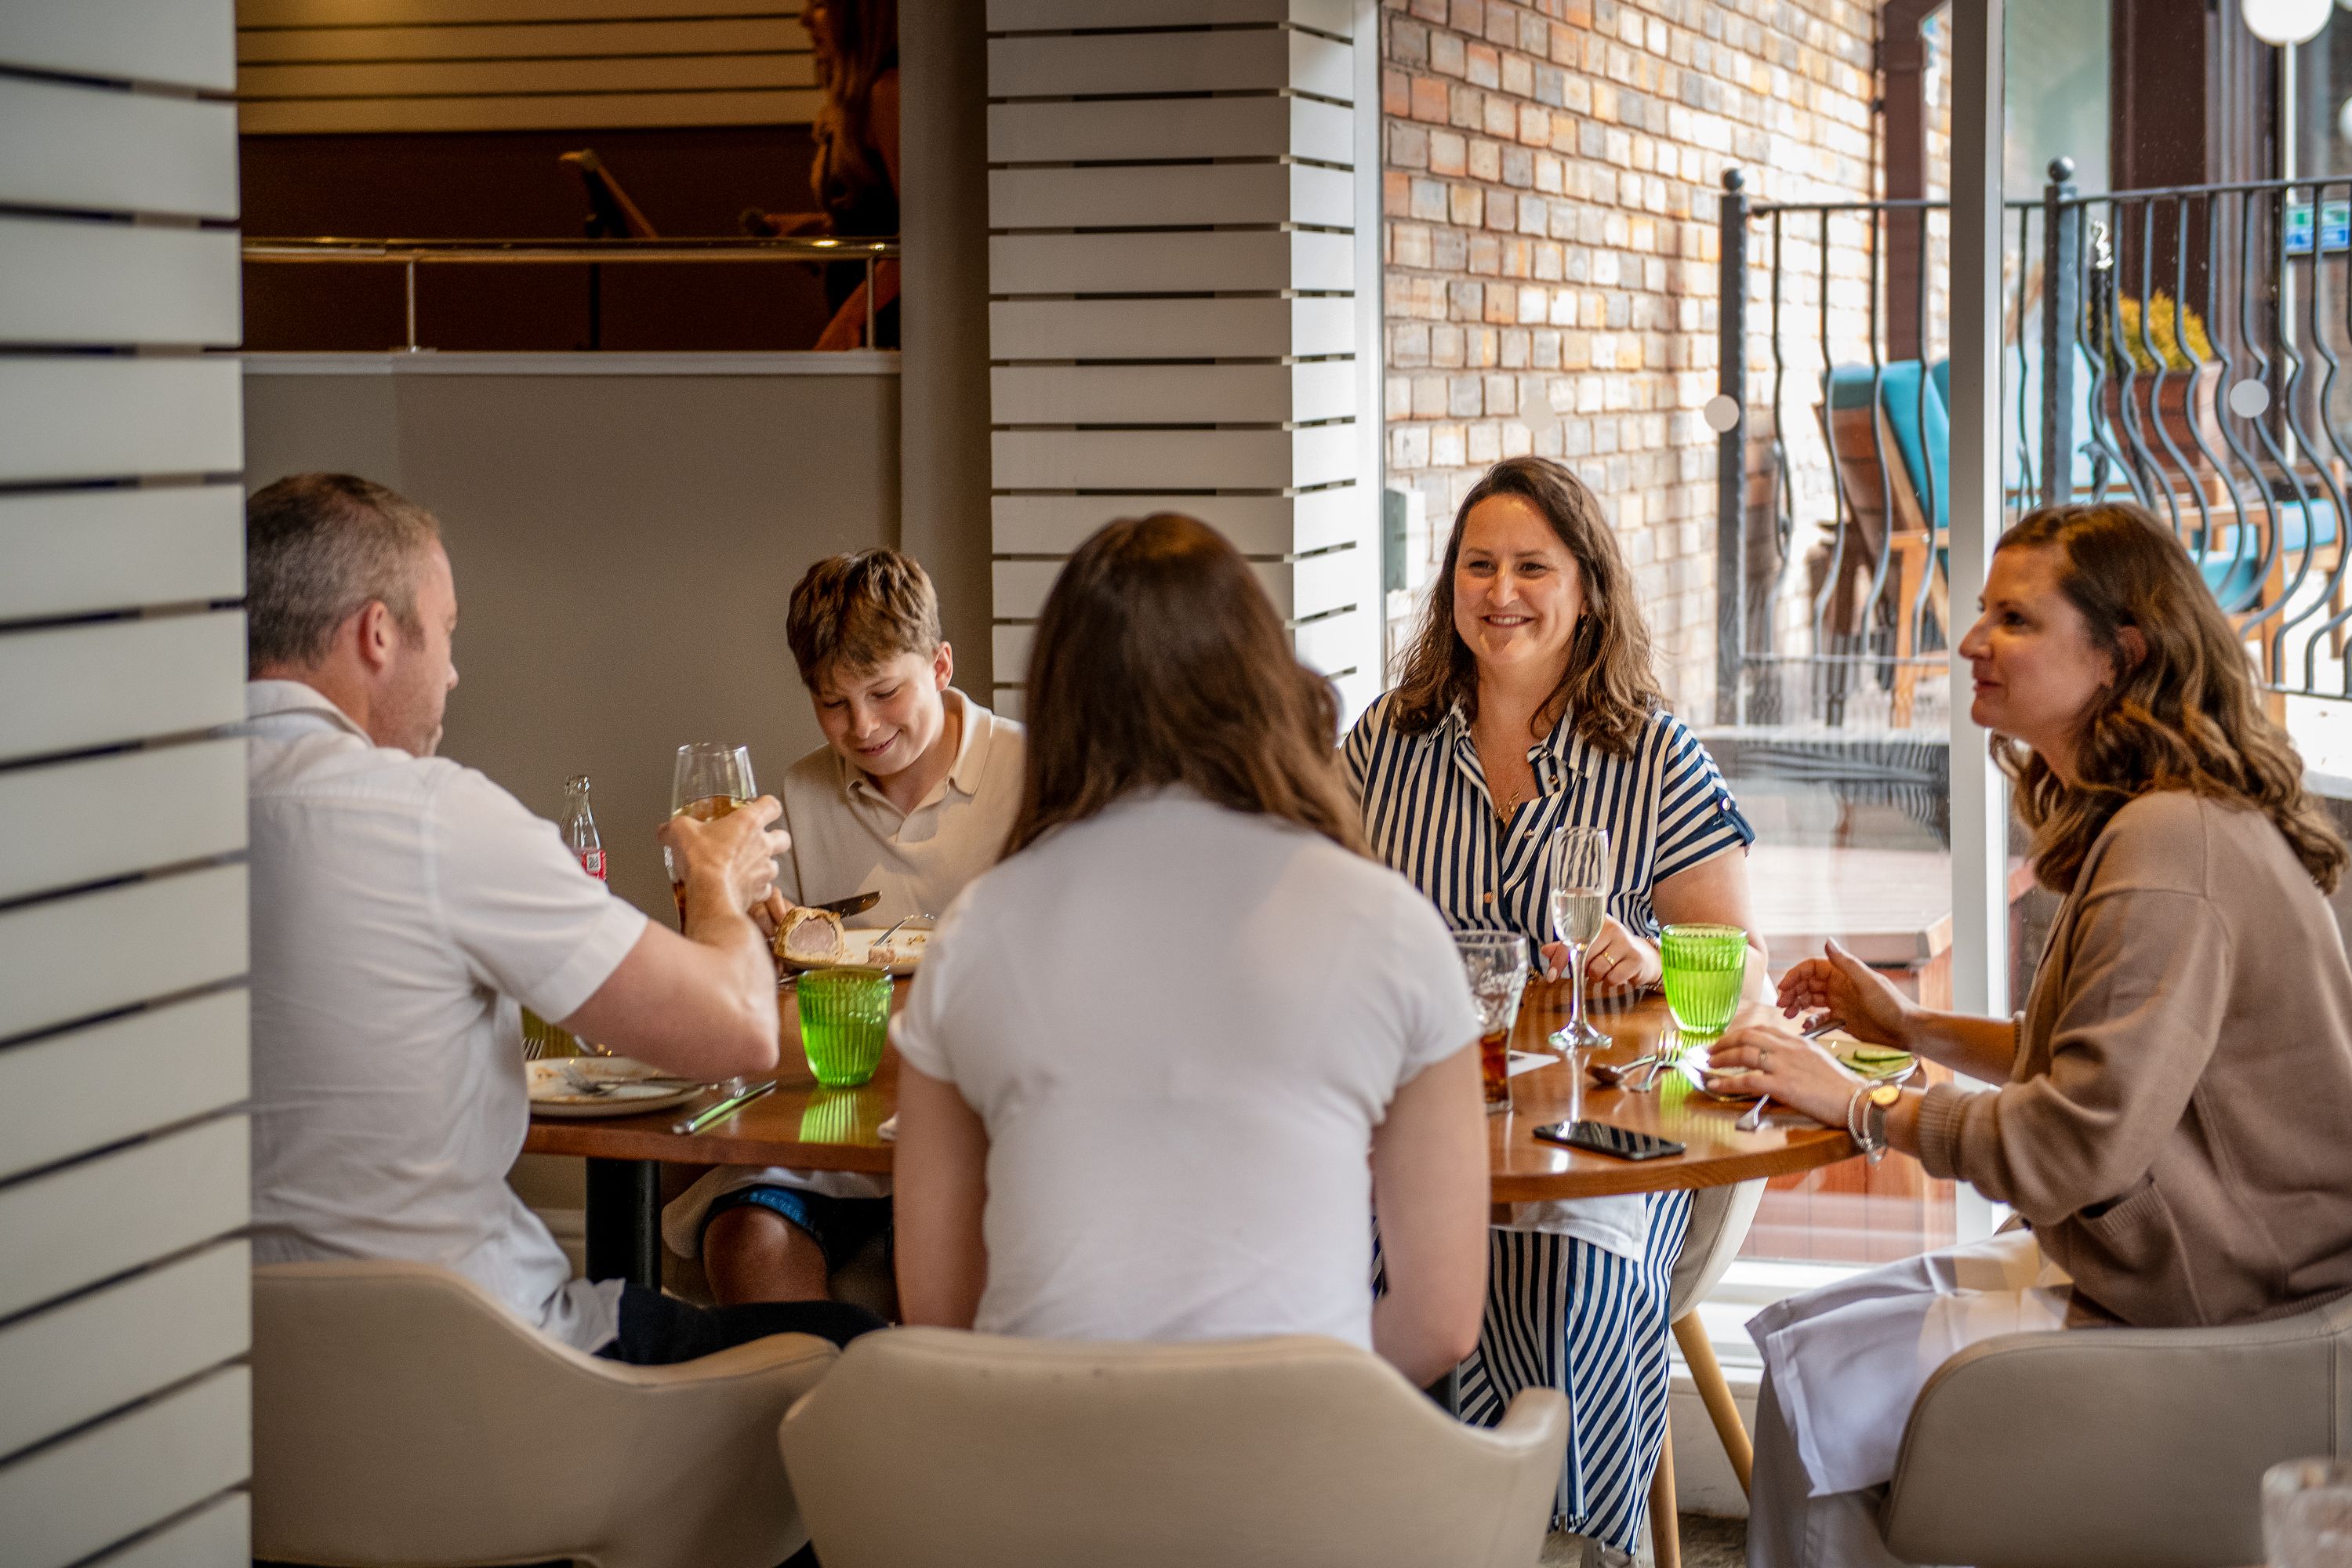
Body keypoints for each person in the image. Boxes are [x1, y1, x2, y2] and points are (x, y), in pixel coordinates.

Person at [1708, 502, 2352, 1568]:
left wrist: (1857, 1100)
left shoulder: (2166, 842)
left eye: (2013, 619)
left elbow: (2070, 1147)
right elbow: (2121, 1064)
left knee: (1813, 1380)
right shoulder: (2166, 812)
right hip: (2215, 1280)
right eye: (1980, 613)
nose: (1969, 642)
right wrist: (1910, 1025)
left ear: (2121, 653)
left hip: (2223, 1312)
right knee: (1802, 1346)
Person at [236, 473, 882, 1364]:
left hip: (244, 1386)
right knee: (866, 1352)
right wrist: (721, 880)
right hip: (490, 1375)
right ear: (377, 634)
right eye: (447, 632)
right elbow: (732, 1029)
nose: (453, 671)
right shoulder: (433, 816)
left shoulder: (103, 835)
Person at [891, 513, 1490, 1388]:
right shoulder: (1392, 925)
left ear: (1058, 699)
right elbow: (1440, 1324)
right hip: (1303, 1495)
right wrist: (1289, 1396)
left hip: (1039, 1493)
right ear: (1262, 681)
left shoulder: (975, 932)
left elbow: (939, 1316)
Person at [1342, 455, 1763, 1559]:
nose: (1501, 591)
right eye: (1477, 566)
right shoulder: (1385, 743)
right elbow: (1311, 917)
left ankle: (1558, 1541)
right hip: (1419, 1123)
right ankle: (1398, 1526)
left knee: (1565, 1266)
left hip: (1606, 1142)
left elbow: (1743, 967)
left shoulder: (1655, 755)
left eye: (1532, 566)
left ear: (1587, 589)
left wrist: (1664, 955)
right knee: (1318, 1244)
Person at [663, 548, 1022, 1308]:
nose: (861, 725)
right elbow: (770, 1000)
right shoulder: (800, 792)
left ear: (941, 665)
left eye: (885, 692)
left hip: (977, 1117)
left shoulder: (1031, 771)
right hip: (829, 1124)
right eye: (834, 703)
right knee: (745, 1237)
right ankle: (812, 1417)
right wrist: (747, 930)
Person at [747, 0, 899, 349]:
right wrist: (818, 228)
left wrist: (850, 318)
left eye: (819, 5)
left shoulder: (888, 92)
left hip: (885, 333)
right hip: (867, 331)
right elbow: (879, 218)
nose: (803, 21)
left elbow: (921, 236)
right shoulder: (859, 102)